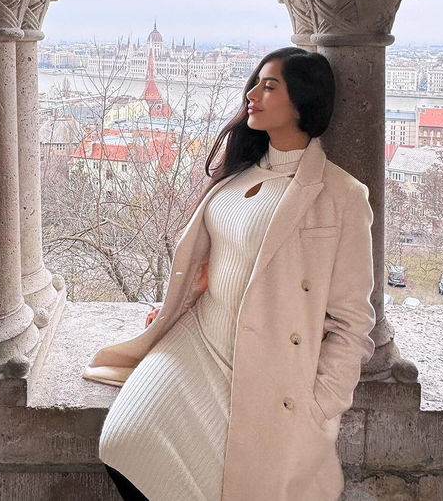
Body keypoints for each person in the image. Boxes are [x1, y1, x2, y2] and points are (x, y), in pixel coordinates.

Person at [83, 47, 376, 501]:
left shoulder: (342, 195)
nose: (252, 95)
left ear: (302, 101)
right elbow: (214, 264)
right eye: (255, 83)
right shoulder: (240, 172)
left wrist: (319, 404)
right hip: (198, 342)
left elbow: (352, 322)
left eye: (269, 86)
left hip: (265, 371)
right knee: (121, 442)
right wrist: (174, 307)